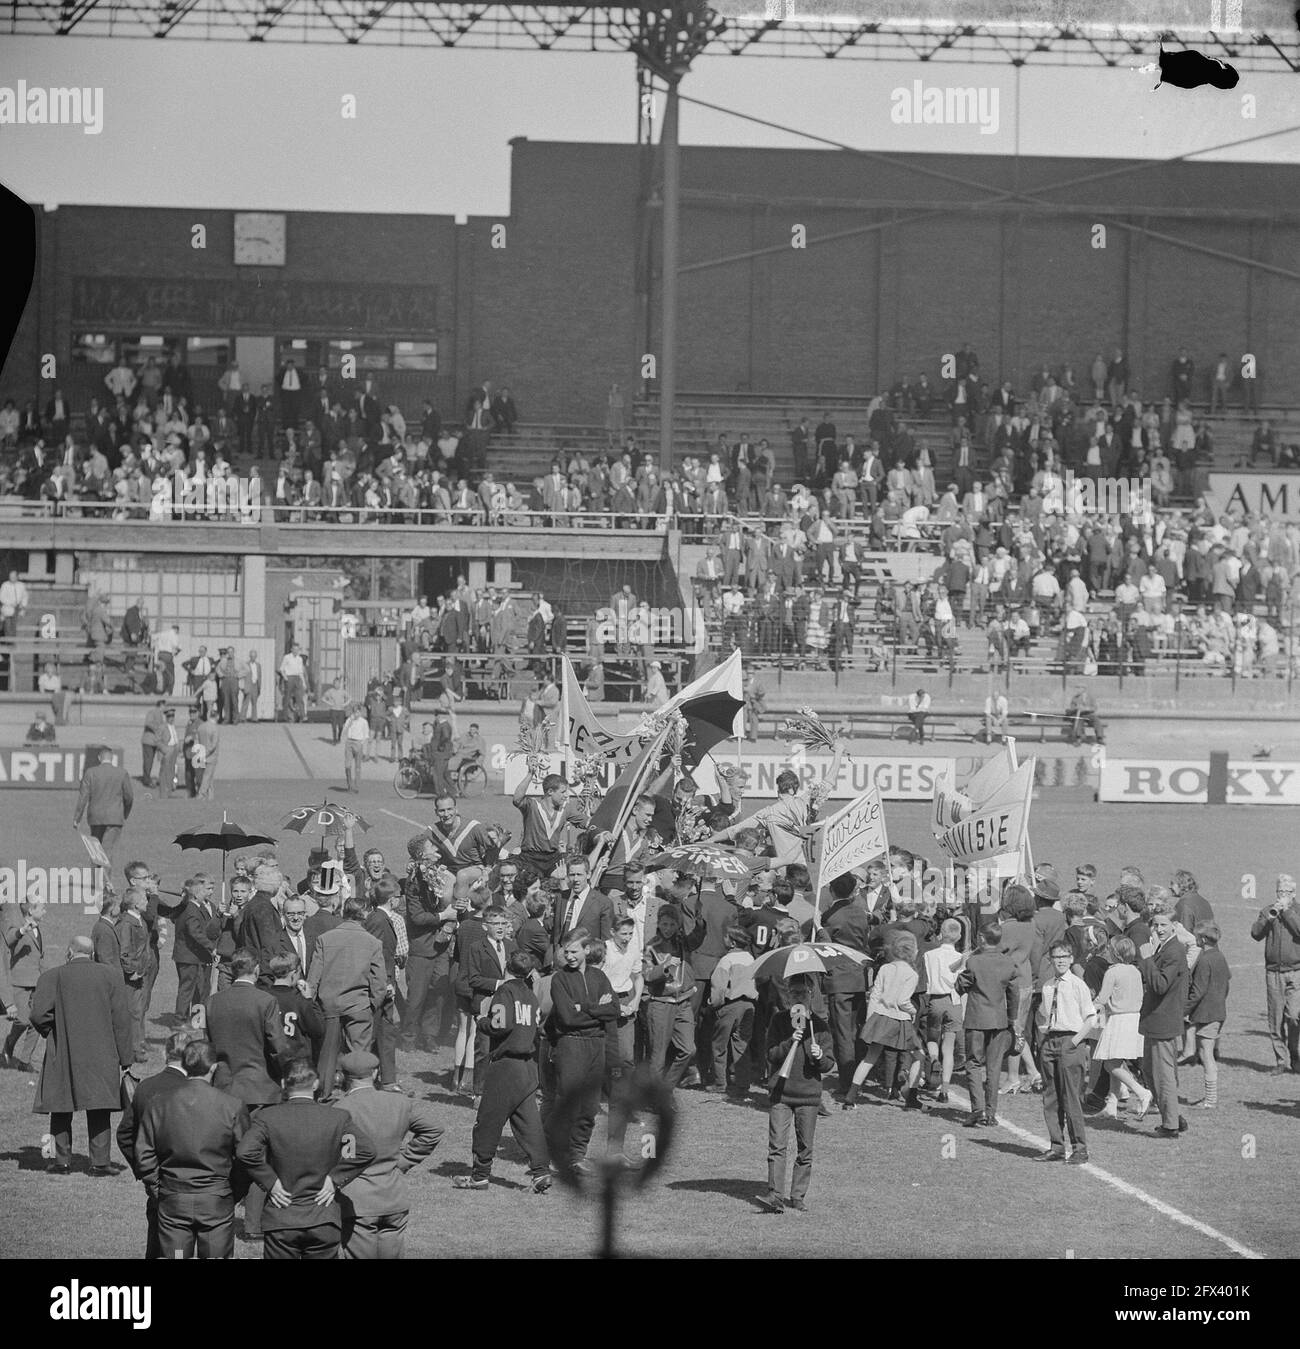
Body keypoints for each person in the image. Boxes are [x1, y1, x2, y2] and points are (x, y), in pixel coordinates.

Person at [235, 1058, 377, 1260]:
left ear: (284, 1084)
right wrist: (335, 1178)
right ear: (316, 1084)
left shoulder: (267, 1117)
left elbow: (244, 1152)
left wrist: (270, 1182)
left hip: (282, 1218)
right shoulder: (337, 1117)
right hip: (323, 1218)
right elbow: (366, 1151)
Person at [133, 1039, 250, 1260]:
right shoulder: (231, 1106)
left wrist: (159, 1188)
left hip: (175, 1201)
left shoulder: (159, 1103)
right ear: (214, 1067)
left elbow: (144, 1153)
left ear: (185, 1066)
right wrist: (231, 1191)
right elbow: (245, 1157)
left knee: (177, 1256)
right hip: (215, 1201)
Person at [29, 935, 134, 1175]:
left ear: (69, 951)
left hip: (63, 1051)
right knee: (99, 1108)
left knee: (60, 1107)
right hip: (102, 1052)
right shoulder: (111, 976)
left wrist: (52, 1031)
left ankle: (60, 1162)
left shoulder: (51, 977)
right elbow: (122, 1021)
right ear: (92, 953)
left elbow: (37, 1015)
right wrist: (126, 1059)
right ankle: (99, 1163)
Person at [207, 949, 293, 1240]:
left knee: (225, 1155)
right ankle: (254, 1225)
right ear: (256, 971)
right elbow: (279, 1046)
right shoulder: (266, 1001)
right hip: (260, 1089)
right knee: (259, 1155)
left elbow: (207, 1044)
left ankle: (220, 1214)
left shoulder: (214, 1001)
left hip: (224, 1087)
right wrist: (287, 1073)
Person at [453, 951, 553, 1193]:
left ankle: (479, 1175)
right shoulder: (530, 995)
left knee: (487, 1122)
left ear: (507, 968)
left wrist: (481, 1020)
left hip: (506, 1066)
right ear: (529, 972)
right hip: (528, 1067)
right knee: (529, 1124)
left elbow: (500, 1025)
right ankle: (541, 1172)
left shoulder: (505, 991)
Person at [332, 1050, 443, 1257]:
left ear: (344, 1077)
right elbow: (433, 1129)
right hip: (393, 1197)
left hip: (357, 1202)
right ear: (374, 1074)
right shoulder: (399, 1102)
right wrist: (403, 1161)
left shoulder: (338, 1109)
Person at [116, 1029, 197, 1257]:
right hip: (190, 1183)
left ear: (165, 1053)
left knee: (156, 1243)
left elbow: (124, 1134)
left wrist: (144, 1170)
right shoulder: (197, 1090)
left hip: (156, 1182)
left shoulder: (146, 1087)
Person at [545, 928, 619, 1175]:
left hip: (597, 1045)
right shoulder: (559, 979)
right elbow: (567, 1018)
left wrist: (585, 1008)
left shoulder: (599, 977)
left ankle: (578, 1154)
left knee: (589, 1106)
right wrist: (598, 1010)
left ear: (587, 950)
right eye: (566, 952)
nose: (569, 956)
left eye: (574, 951)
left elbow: (615, 1011)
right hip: (571, 1044)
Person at [761, 980, 834, 1214]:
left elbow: (828, 1065)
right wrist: (789, 1041)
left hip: (808, 1096)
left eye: (802, 992)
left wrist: (819, 1056)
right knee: (777, 1146)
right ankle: (775, 1196)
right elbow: (771, 1054)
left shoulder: (820, 1026)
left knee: (805, 1149)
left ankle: (798, 1196)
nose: (797, 997)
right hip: (781, 1094)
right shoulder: (779, 1021)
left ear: (811, 995)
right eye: (793, 993)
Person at [306, 897, 388, 1100]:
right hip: (359, 1005)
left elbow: (313, 977)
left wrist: (314, 1002)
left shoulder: (325, 939)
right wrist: (373, 1005)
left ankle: (323, 1094)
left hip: (329, 1005)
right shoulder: (373, 943)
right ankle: (357, 1095)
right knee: (359, 1054)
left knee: (327, 1054)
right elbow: (379, 982)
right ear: (365, 914)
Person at [843, 930, 926, 1109]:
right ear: (913, 952)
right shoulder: (912, 974)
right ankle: (911, 1097)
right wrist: (913, 1011)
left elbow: (875, 994)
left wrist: (870, 1018)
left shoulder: (885, 968)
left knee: (870, 1058)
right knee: (919, 1056)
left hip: (880, 1018)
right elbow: (902, 1001)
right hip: (900, 1020)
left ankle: (850, 1097)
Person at [1033, 941, 1098, 1164]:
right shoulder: (1048, 986)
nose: (1060, 960)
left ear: (1071, 959)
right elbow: (1043, 1013)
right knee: (1050, 1097)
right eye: (1056, 957)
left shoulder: (1078, 985)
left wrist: (1076, 1041)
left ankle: (1080, 1148)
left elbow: (1091, 1017)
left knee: (1071, 1098)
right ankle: (1056, 1146)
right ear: (1050, 960)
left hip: (1071, 1040)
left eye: (1064, 956)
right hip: (1050, 1041)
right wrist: (1043, 1037)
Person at [958, 924, 1023, 1128]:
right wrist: (1012, 1017)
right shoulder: (1008, 963)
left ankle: (977, 1108)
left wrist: (961, 976)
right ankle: (991, 1113)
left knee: (973, 1063)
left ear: (981, 938)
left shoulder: (974, 961)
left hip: (977, 1018)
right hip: (999, 1019)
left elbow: (961, 986)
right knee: (994, 1067)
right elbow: (1014, 993)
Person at [1139, 907, 1191, 1138]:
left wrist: (1148, 958)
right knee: (1149, 1072)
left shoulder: (1173, 951)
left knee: (1163, 1075)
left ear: (1175, 926)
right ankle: (1172, 1116)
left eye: (1163, 925)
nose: (1159, 929)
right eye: (1155, 925)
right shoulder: (1165, 947)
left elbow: (1160, 985)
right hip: (1156, 1021)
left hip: (1163, 1022)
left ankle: (1170, 1126)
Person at [1093, 937, 1151, 1120]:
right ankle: (1111, 1106)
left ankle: (1141, 1092)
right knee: (1115, 1062)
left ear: (1116, 953)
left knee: (1110, 1063)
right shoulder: (1135, 970)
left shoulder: (1113, 972)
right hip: (1134, 1019)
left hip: (1119, 1020)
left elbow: (1102, 1000)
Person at [1250, 873, 1300, 1075]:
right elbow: (1255, 934)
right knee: (1275, 1018)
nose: (1282, 895)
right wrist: (1268, 919)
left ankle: (1295, 1056)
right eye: (1280, 891)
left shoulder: (1297, 910)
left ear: (1294, 893)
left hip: (1296, 972)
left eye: (1286, 892)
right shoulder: (1267, 911)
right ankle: (1280, 1061)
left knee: (1295, 1016)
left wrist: (1287, 912)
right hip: (1273, 973)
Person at [708, 926, 756, 1098]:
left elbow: (719, 987)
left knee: (719, 1045)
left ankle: (720, 1082)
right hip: (749, 1006)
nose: (724, 939)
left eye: (726, 937)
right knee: (742, 1045)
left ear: (733, 942)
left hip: (730, 1005)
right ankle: (743, 1084)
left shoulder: (726, 960)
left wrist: (713, 1004)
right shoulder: (750, 958)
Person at [1186, 921, 1229, 1109]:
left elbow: (1198, 991)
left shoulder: (1205, 959)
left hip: (1207, 1013)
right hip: (1217, 1010)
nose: (1195, 939)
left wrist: (1183, 1010)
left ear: (1203, 939)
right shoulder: (1219, 956)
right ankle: (1210, 1098)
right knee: (1205, 1052)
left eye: (1196, 936)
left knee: (1206, 1054)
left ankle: (1210, 1099)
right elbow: (1227, 982)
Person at [2, 899, 50, 1072]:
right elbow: (9, 940)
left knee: (36, 1021)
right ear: (31, 910)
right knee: (23, 1019)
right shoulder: (20, 926)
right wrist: (22, 931)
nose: (45, 911)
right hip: (20, 983)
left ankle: (25, 1061)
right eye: (42, 908)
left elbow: (40, 957)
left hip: (36, 981)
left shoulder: (38, 928)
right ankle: (8, 1045)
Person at [922, 918, 965, 1105]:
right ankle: (945, 1090)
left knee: (932, 1038)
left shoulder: (929, 955)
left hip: (935, 1000)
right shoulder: (960, 958)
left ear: (941, 933)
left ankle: (932, 1059)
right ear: (959, 937)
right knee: (949, 1047)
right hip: (953, 1001)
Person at [172, 874, 221, 1022]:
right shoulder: (191, 909)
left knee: (191, 988)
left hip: (187, 956)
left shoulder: (190, 907)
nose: (210, 893)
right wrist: (212, 948)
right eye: (207, 889)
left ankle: (191, 1018)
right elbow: (195, 932)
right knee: (187, 990)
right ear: (197, 891)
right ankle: (180, 1020)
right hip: (188, 957)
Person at [72, 747, 134, 857]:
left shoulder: (90, 772)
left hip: (95, 817)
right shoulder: (122, 773)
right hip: (115, 818)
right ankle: (105, 874)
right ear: (112, 758)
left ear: (99, 758)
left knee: (96, 851)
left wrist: (77, 818)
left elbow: (83, 797)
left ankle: (95, 874)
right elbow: (129, 797)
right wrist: (124, 814)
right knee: (107, 849)